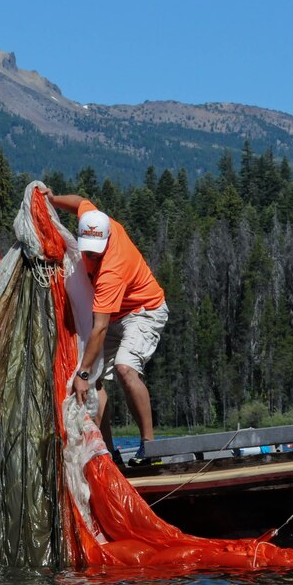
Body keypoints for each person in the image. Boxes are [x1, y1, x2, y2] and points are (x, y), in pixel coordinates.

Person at [39, 189, 168, 467]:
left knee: (124, 367)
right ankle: (107, 452)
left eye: (95, 253)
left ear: (107, 240)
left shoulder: (112, 268)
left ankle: (150, 447)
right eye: (87, 251)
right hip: (113, 315)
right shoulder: (94, 219)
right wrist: (52, 200)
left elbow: (99, 328)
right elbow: (79, 203)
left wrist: (82, 373)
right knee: (96, 377)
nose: (90, 257)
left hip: (142, 311)